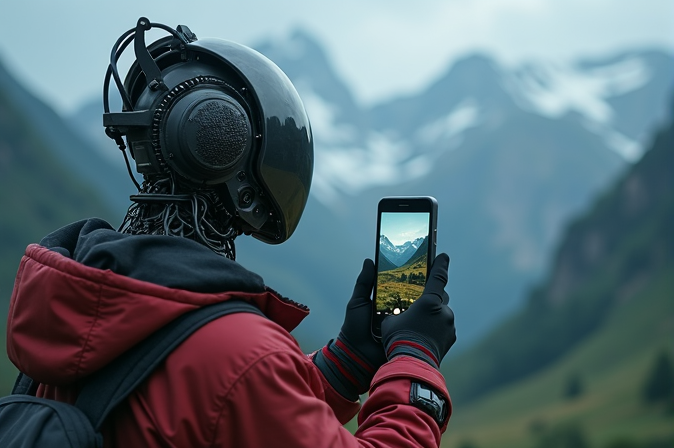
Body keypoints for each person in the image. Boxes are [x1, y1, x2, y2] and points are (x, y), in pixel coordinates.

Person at [5, 17, 457, 447]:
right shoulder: (238, 355)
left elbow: (217, 415)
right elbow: (233, 390)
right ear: (232, 149)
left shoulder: (91, 298)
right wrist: (415, 362)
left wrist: (347, 362)